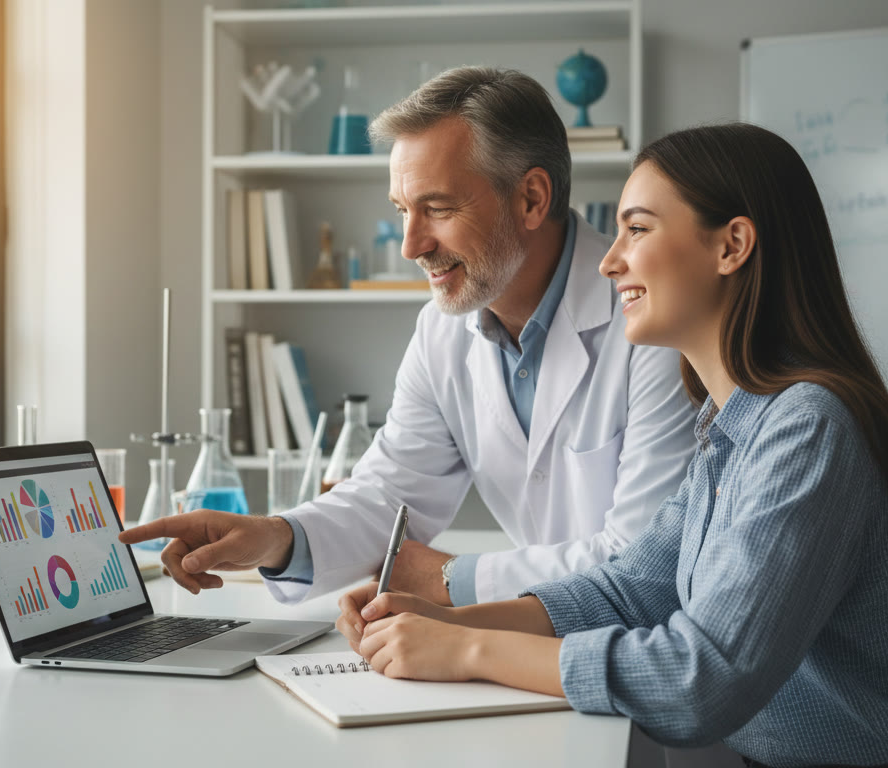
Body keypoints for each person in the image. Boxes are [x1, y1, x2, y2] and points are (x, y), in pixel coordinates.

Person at [343, 123, 888, 767]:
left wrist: (465, 651)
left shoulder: (809, 429)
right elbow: (630, 592)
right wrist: (446, 622)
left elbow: (700, 682)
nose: (608, 260)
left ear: (732, 245)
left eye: (639, 229)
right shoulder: (731, 423)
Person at [119, 67, 697, 610]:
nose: (410, 245)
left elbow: (643, 562)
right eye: (402, 210)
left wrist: (450, 580)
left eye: (438, 208)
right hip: (545, 641)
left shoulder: (653, 321)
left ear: (531, 199)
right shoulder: (442, 330)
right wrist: (274, 538)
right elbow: (390, 494)